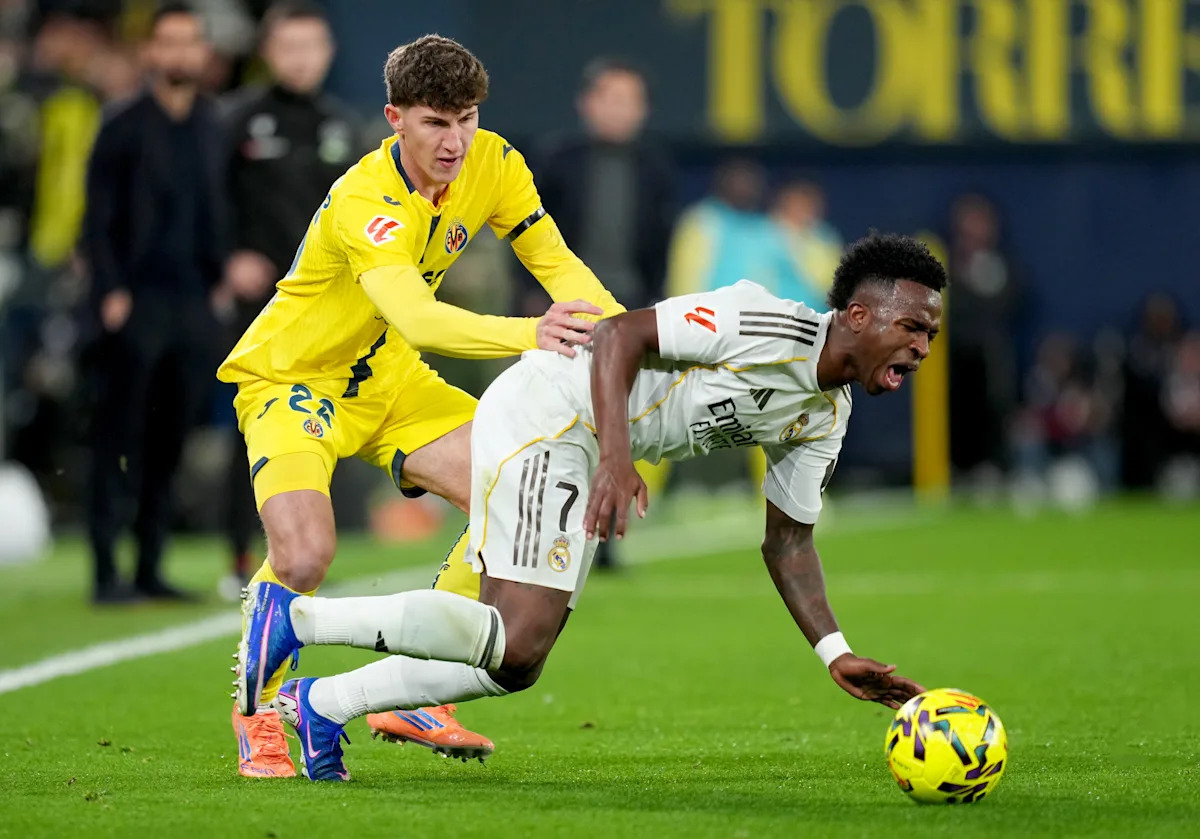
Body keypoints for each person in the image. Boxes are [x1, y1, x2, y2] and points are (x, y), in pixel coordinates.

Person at [236, 232, 942, 781]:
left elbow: (788, 541)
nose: (921, 347)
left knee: (516, 663)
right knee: (515, 636)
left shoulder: (824, 416)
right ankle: (295, 618)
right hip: (553, 408)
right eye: (912, 326)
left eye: (931, 336)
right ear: (857, 315)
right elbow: (617, 334)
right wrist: (616, 458)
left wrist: (834, 653)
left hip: (586, 441)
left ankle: (321, 705)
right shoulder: (761, 322)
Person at [222, 35, 625, 778]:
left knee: (514, 492)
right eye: (436, 122)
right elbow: (419, 318)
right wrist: (531, 333)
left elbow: (557, 263)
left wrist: (626, 336)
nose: (455, 141)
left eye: (466, 119)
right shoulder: (365, 199)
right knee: (304, 557)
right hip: (292, 378)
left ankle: (410, 690)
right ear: (395, 119)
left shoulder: (494, 163)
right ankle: (259, 713)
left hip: (388, 377)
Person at [217, 0, 364, 597]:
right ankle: (240, 554)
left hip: (326, 308)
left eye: (311, 47)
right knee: (253, 425)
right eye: (289, 47)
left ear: (328, 53)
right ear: (268, 52)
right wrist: (229, 255)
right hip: (261, 303)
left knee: (320, 421)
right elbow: (210, 198)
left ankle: (308, 552)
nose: (301, 59)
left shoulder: (345, 127)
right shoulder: (234, 120)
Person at [82, 3, 226, 604]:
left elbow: (221, 209)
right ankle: (105, 571)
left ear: (202, 51)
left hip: (192, 301)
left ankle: (149, 565)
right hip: (135, 301)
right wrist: (109, 289)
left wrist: (219, 278)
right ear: (150, 51)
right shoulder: (121, 125)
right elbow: (95, 218)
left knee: (170, 437)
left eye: (190, 41)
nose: (179, 52)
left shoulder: (213, 124)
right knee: (118, 436)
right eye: (169, 41)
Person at [526, 56, 675, 570]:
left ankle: (605, 535)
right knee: (551, 421)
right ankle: (537, 528)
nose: (620, 110)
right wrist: (530, 297)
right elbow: (522, 234)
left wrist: (653, 308)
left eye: (630, 100)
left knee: (614, 423)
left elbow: (661, 247)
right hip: (563, 310)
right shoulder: (556, 160)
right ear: (586, 103)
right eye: (610, 98)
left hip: (626, 312)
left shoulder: (656, 168)